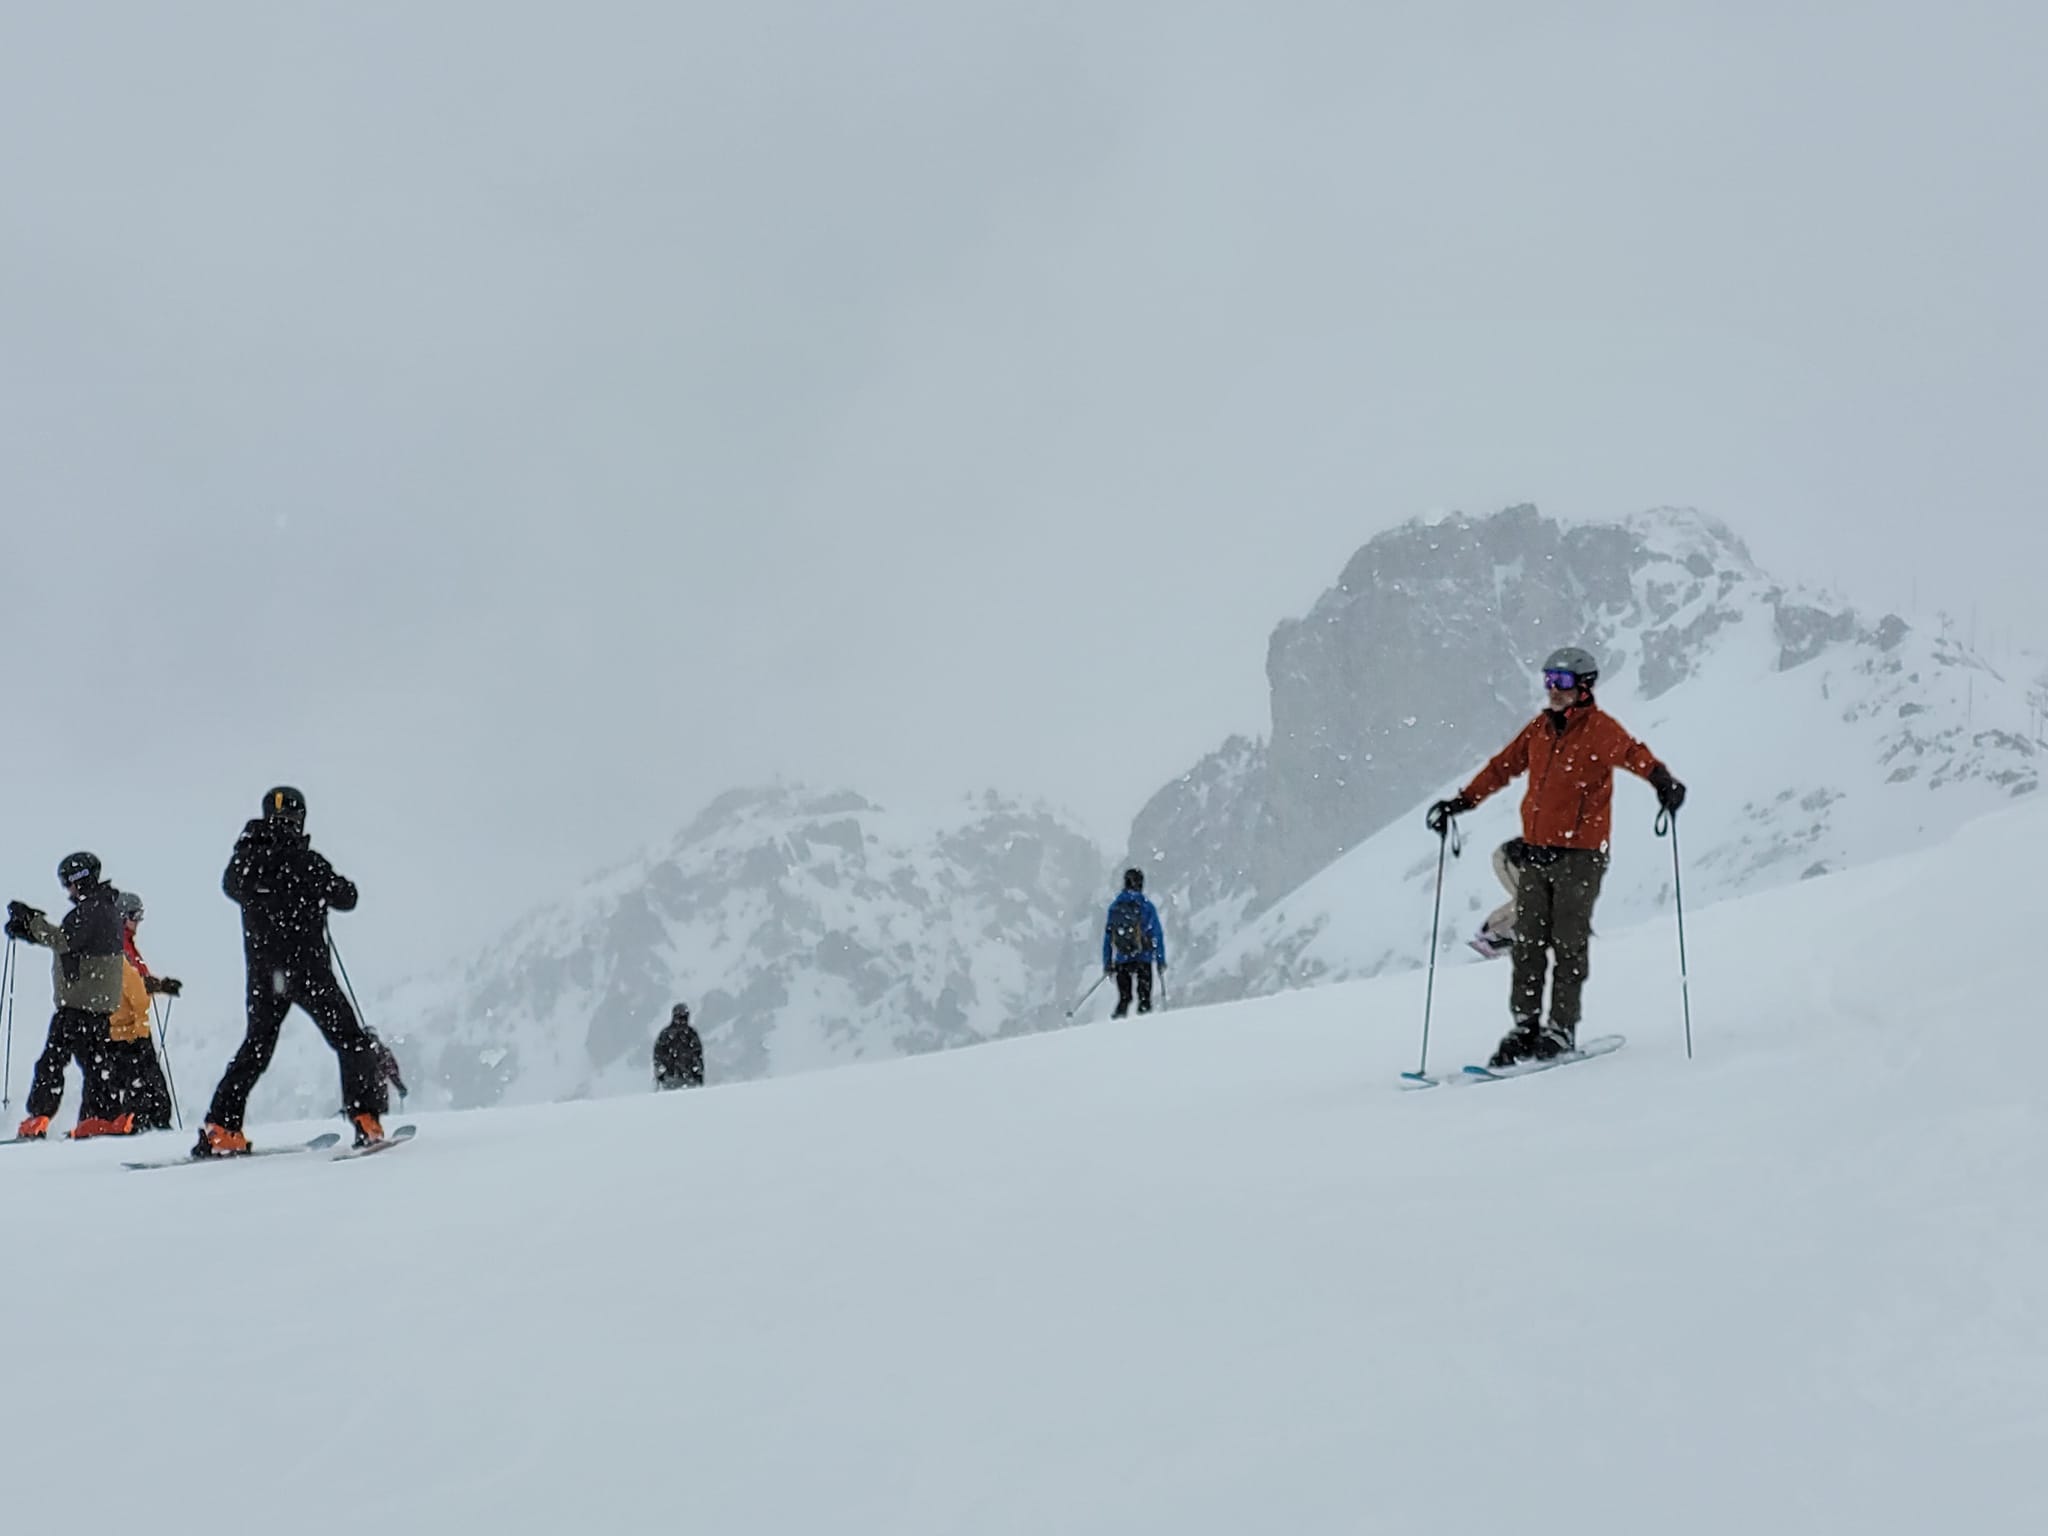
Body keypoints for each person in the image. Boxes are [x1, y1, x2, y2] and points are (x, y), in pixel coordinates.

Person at [1427, 646, 1686, 1067]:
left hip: (1579, 856)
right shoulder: (1540, 731)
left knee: (1568, 944)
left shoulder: (1601, 730)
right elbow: (1501, 766)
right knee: (1527, 944)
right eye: (1549, 680)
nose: (1554, 690)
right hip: (1536, 853)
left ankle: (1560, 1029)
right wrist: (1460, 803)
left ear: (1584, 687)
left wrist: (1662, 781)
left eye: (1562, 682)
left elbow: (1634, 754)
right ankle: (1525, 1026)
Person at [193, 786, 387, 1156]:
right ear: (300, 820)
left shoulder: (245, 863)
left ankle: (221, 1127)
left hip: (266, 975)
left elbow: (231, 886)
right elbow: (347, 897)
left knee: (256, 1048)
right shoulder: (306, 862)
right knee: (351, 1040)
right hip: (309, 970)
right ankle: (366, 1120)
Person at [6, 852, 130, 1139]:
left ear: (79, 880)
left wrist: (31, 921)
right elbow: (72, 943)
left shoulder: (91, 910)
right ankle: (103, 1117)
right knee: (96, 1063)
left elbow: (63, 940)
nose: (67, 890)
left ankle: (38, 1118)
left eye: (67, 883)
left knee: (52, 1060)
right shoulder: (106, 907)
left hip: (79, 1004)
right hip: (97, 1005)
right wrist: (30, 932)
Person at [107, 891, 179, 1132]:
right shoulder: (118, 944)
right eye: (134, 915)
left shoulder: (125, 943)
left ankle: (145, 1124)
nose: (138, 921)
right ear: (122, 916)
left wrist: (159, 985)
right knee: (145, 1083)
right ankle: (145, 1126)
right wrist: (151, 986)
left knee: (142, 1083)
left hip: (129, 1027)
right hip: (127, 1028)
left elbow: (137, 979)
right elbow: (131, 982)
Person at [1101, 867, 1167, 1019]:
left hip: (1122, 959)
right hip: (1143, 958)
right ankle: (1144, 1029)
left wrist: (1107, 963)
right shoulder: (1146, 906)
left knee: (1125, 998)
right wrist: (1160, 959)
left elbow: (1108, 938)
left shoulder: (1115, 907)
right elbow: (1156, 934)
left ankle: (1116, 1026)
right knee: (1144, 998)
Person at [1468, 841, 1525, 960]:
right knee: (1526, 901)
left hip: (1511, 856)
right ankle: (1493, 935)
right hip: (1509, 858)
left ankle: (1491, 932)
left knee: (1527, 901)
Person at [653, 1003, 704, 1090]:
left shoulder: (691, 1034)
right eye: (680, 1017)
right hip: (670, 1078)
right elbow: (658, 1055)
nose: (682, 1020)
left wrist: (698, 1070)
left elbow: (698, 1054)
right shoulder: (666, 1034)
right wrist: (660, 1071)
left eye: (684, 1017)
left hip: (689, 1078)